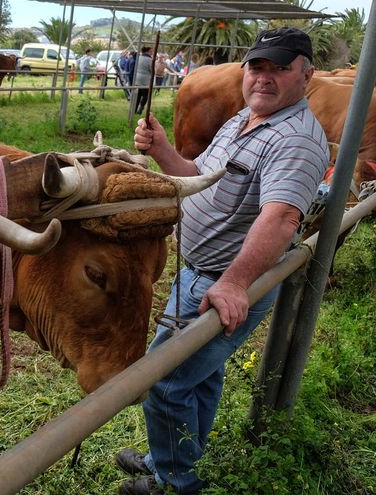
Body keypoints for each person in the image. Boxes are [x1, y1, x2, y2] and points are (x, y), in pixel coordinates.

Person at [115, 26, 329, 495]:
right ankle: (171, 458)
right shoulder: (242, 119)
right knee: (200, 378)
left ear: (306, 75)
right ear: (245, 70)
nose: (265, 77)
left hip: (224, 284)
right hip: (198, 274)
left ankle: (174, 481)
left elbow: (281, 218)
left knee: (166, 382)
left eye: (280, 68)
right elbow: (198, 176)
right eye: (258, 66)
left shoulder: (295, 139)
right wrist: (162, 151)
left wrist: (234, 283)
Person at [132, 46, 153, 114]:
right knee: (145, 95)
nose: (152, 53)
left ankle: (134, 109)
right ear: (147, 51)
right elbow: (151, 70)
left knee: (138, 95)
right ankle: (140, 108)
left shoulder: (139, 58)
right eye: (151, 51)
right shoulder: (149, 60)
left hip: (137, 79)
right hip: (145, 80)